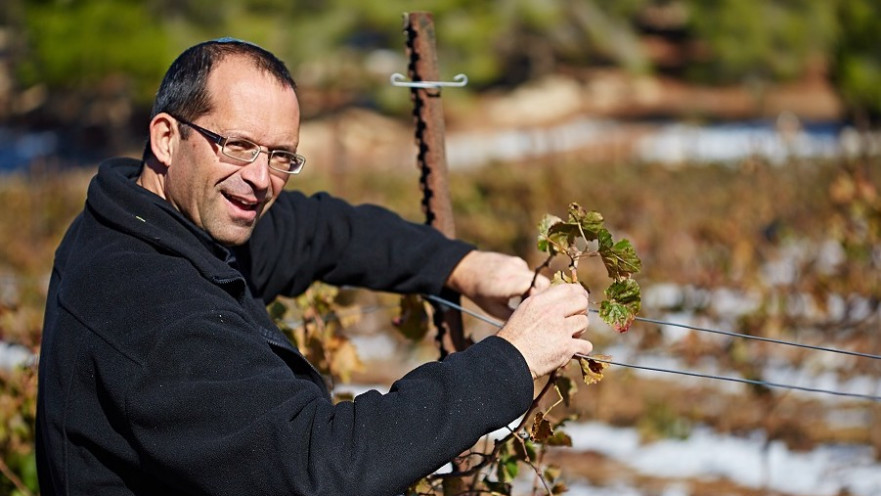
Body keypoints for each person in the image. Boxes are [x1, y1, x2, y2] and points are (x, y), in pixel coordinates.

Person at [35, 38, 593, 496]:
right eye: (237, 145)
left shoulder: (150, 219)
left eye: (281, 156)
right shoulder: (153, 308)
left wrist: (462, 265)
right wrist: (510, 360)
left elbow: (318, 232)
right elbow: (319, 467)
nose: (260, 179)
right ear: (166, 137)